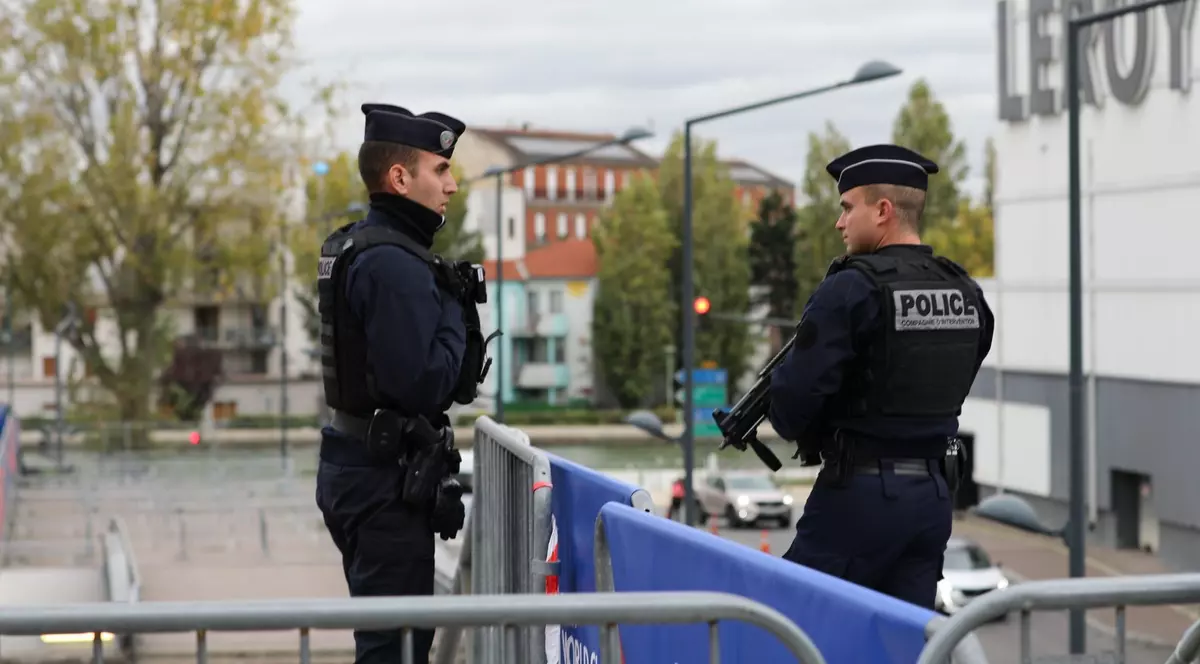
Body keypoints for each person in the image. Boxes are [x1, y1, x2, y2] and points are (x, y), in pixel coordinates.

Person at [768, 143, 995, 610]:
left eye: (848, 207)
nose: (840, 222)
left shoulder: (850, 288)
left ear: (883, 210)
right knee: (902, 635)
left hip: (859, 496)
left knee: (789, 617)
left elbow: (790, 411)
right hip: (933, 499)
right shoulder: (965, 290)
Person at [315, 102, 490, 663]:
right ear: (399, 177)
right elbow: (427, 385)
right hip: (382, 484)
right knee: (397, 648)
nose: (451, 185)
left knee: (387, 638)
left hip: (355, 463)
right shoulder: (395, 264)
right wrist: (455, 307)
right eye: (440, 170)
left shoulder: (356, 245)